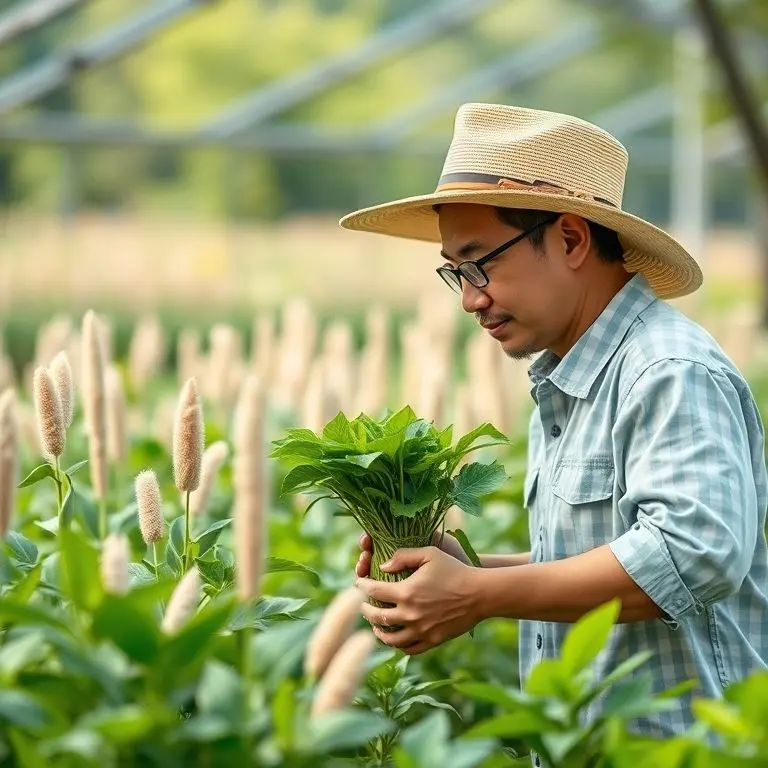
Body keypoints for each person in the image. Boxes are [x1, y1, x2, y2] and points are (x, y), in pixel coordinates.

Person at [339, 103, 768, 754]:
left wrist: (482, 595)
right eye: (455, 270)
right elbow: (606, 554)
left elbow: (693, 552)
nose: (469, 297)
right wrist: (472, 571)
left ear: (569, 239)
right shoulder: (567, 378)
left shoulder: (667, 372)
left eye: (481, 263)